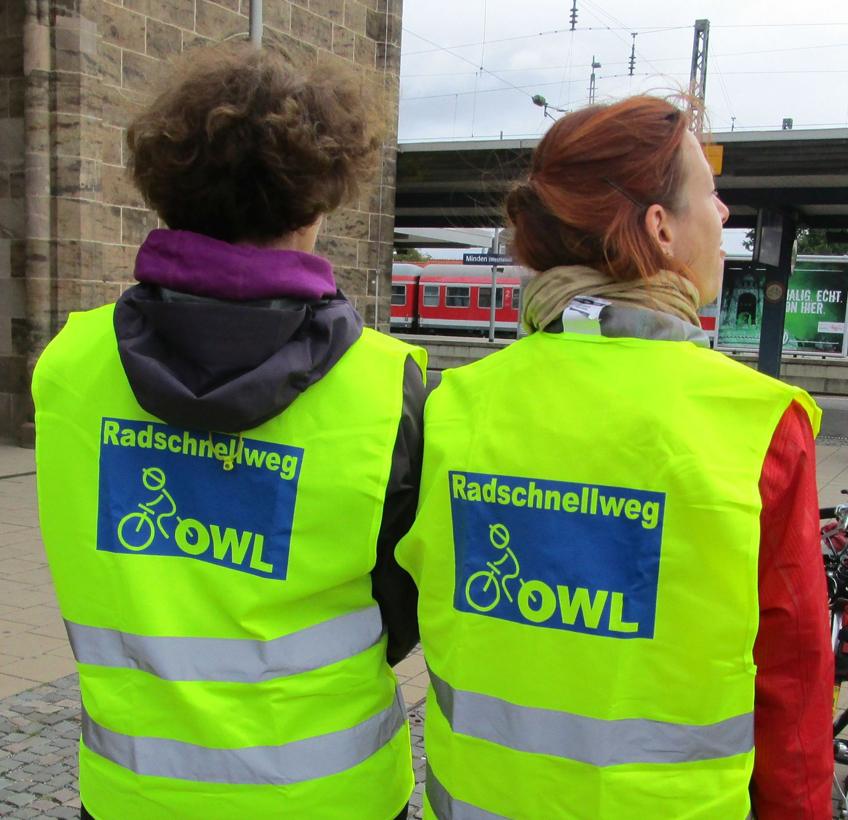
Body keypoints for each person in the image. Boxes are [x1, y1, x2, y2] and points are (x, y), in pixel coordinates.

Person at [396, 96, 833, 819]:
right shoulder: (759, 426)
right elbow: (792, 690)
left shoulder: (452, 406)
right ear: (659, 229)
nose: (724, 214)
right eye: (708, 196)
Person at [33, 42, 423, 820]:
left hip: (133, 795)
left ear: (165, 191)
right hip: (330, 797)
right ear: (318, 201)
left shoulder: (71, 362)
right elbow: (403, 607)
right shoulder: (388, 385)